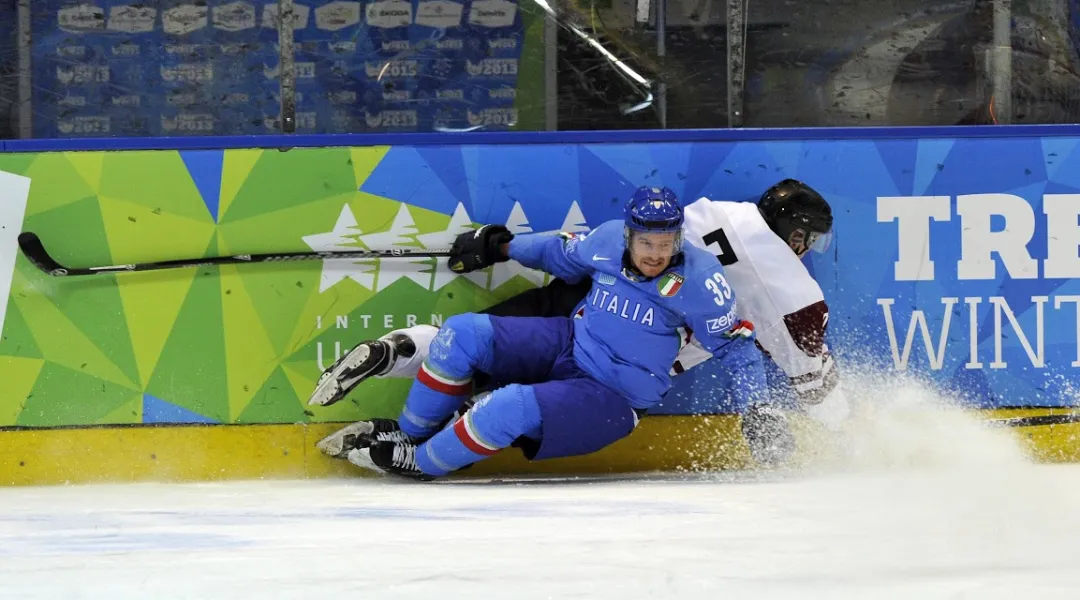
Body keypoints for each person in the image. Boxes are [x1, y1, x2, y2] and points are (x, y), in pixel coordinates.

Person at [312, 179, 848, 468]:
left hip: (602, 325)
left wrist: (501, 246)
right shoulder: (782, 279)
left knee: (490, 376)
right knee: (474, 350)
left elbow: (562, 251)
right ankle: (413, 440)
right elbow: (799, 360)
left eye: (666, 242)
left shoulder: (720, 219)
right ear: (795, 233)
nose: (659, 251)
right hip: (603, 324)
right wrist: (841, 424)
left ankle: (407, 374)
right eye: (649, 240)